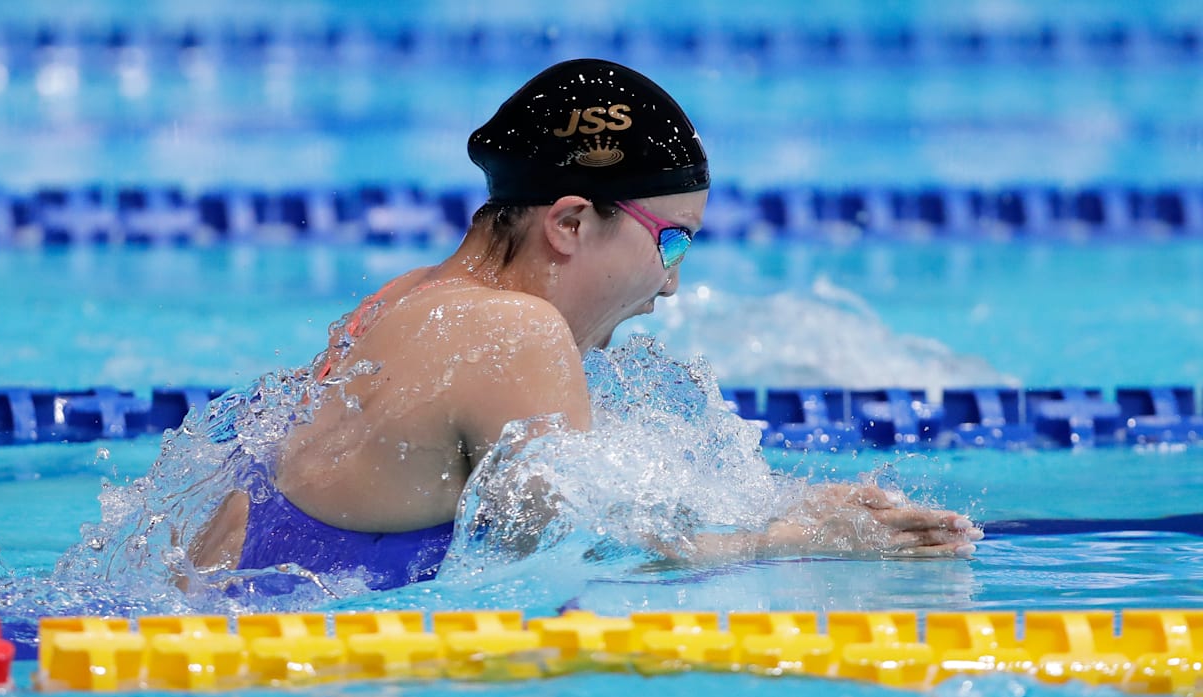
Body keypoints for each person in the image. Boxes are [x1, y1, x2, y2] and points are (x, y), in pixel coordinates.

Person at [188, 58, 981, 591]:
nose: (671, 284)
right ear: (570, 222)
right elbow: (573, 571)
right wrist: (799, 537)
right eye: (671, 240)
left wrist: (778, 507)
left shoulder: (405, 300)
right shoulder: (515, 332)